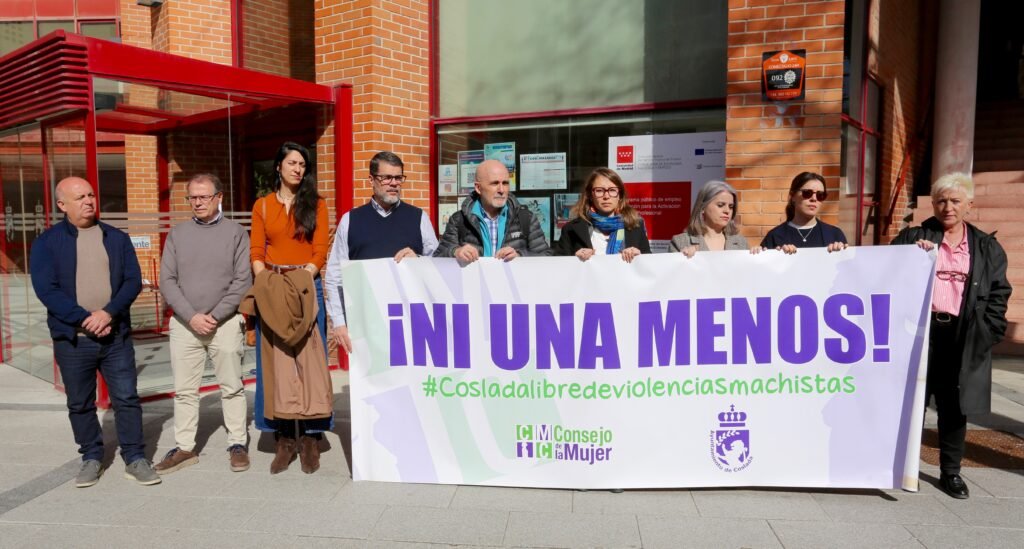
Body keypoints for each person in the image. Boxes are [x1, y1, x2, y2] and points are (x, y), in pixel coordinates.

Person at [29, 176, 160, 487]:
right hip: (73, 340)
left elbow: (131, 280)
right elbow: (46, 289)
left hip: (116, 337)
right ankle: (91, 456)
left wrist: (107, 313)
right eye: (80, 197)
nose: (89, 201)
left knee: (126, 398)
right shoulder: (47, 243)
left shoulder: (116, 238)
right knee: (80, 403)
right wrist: (84, 319)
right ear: (62, 205)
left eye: (91, 195)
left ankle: (135, 457)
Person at [892, 172, 1012, 499]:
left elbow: (999, 293)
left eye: (955, 201)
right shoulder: (913, 236)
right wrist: (910, 255)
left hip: (962, 335)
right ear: (933, 204)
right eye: (941, 201)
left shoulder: (987, 247)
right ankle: (898, 466)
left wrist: (987, 333)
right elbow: (887, 272)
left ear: (969, 206)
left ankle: (951, 472)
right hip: (919, 334)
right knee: (908, 401)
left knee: (954, 406)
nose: (948, 207)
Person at [155, 173, 252, 475]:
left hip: (224, 323)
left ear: (219, 197)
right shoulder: (178, 234)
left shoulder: (236, 233)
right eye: (192, 197)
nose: (197, 202)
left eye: (204, 196)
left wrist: (215, 315)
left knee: (232, 386)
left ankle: (237, 443)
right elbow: (167, 280)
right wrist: (192, 316)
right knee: (184, 389)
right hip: (185, 324)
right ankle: (185, 447)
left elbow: (242, 280)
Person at [245, 142, 332, 474]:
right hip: (274, 286)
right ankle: (283, 438)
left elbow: (320, 249)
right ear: (279, 166)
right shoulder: (263, 206)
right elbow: (257, 249)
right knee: (275, 362)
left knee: (310, 361)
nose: (298, 169)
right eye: (292, 163)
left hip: (308, 285)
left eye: (303, 165)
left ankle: (311, 437)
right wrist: (266, 283)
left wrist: (302, 279)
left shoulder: (317, 205)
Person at [325, 151, 438, 355]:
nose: (394, 183)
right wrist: (339, 322)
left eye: (398, 177)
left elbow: (439, 265)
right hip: (366, 326)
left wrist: (419, 259)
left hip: (411, 325)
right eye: (387, 178)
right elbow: (335, 277)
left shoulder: (418, 218)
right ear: (371, 180)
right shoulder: (350, 221)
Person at [434, 159, 550, 262]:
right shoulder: (459, 220)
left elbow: (546, 256)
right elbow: (439, 256)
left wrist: (519, 256)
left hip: (512, 285)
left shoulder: (526, 218)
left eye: (505, 183)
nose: (501, 190)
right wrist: (456, 251)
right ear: (478, 188)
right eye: (495, 183)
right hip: (474, 285)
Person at [553, 167, 649, 262]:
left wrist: (639, 257)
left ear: (619, 195)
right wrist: (575, 259)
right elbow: (559, 267)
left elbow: (649, 266)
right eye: (599, 190)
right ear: (590, 195)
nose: (606, 196)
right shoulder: (571, 229)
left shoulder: (635, 225)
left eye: (612, 190)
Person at [760, 172, 848, 253]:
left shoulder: (834, 235)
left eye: (820, 195)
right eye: (807, 193)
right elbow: (763, 268)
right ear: (793, 196)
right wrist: (756, 253)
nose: (814, 199)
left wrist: (841, 254)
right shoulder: (775, 236)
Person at [670, 180, 760, 257]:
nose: (727, 211)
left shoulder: (741, 242)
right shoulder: (681, 242)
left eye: (731, 206)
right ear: (702, 207)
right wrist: (682, 260)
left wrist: (759, 256)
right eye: (720, 205)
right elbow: (672, 274)